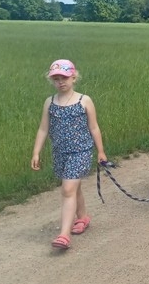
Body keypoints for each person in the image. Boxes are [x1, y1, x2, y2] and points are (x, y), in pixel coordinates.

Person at [31, 59, 107, 249]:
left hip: (80, 151)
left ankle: (64, 235)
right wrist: (36, 152)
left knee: (67, 189)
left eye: (64, 78)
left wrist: (101, 151)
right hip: (60, 153)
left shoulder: (84, 101)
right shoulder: (50, 102)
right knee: (74, 187)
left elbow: (94, 127)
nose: (60, 82)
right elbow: (43, 129)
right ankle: (82, 217)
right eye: (56, 79)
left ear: (74, 77)